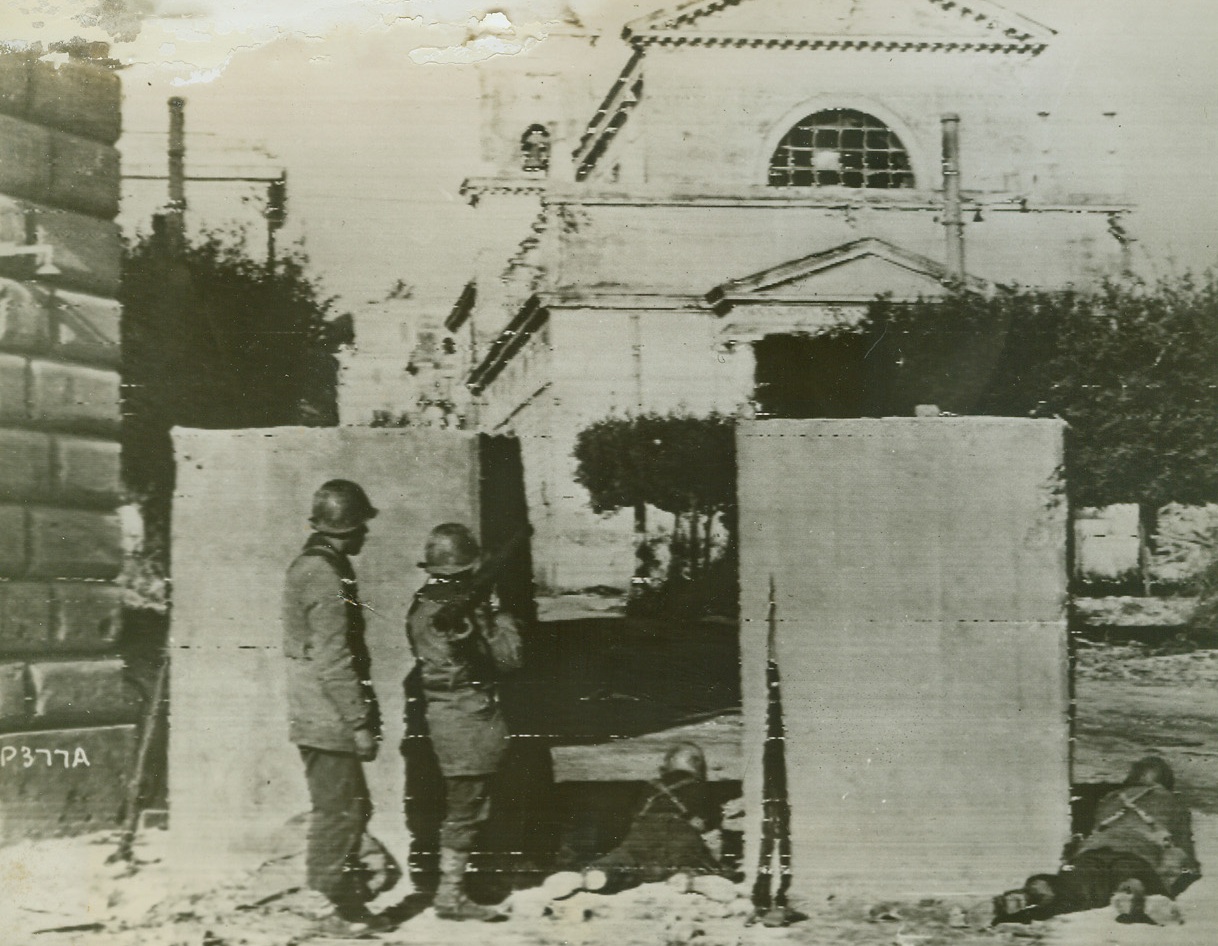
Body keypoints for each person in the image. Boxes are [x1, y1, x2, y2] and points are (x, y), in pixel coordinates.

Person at [282, 479, 388, 935]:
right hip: (327, 717)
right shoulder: (324, 574)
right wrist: (359, 723)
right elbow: (333, 658)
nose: (366, 534)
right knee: (339, 812)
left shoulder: (318, 563)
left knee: (350, 807)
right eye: (362, 525)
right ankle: (322, 908)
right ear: (346, 528)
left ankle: (344, 903)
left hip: (318, 711)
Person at [404, 523, 520, 922]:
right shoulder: (461, 616)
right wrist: (498, 614)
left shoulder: (423, 606)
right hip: (468, 720)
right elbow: (509, 659)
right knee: (465, 809)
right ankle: (450, 895)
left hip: (448, 716)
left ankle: (463, 884)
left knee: (470, 805)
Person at [994, 755, 1201, 924]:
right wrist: (1172, 885)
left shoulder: (1110, 799)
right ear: (1165, 782)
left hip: (1090, 856)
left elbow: (1081, 832)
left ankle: (1033, 894)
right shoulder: (1174, 804)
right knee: (1140, 879)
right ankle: (1133, 891)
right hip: (1136, 857)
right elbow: (1184, 855)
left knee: (1068, 892)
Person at [541, 743, 735, 901]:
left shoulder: (650, 788)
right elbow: (707, 824)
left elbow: (635, 815)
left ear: (667, 766)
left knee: (625, 858)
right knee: (689, 859)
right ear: (697, 766)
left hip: (642, 833)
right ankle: (689, 880)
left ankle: (594, 875)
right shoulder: (700, 789)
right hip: (679, 832)